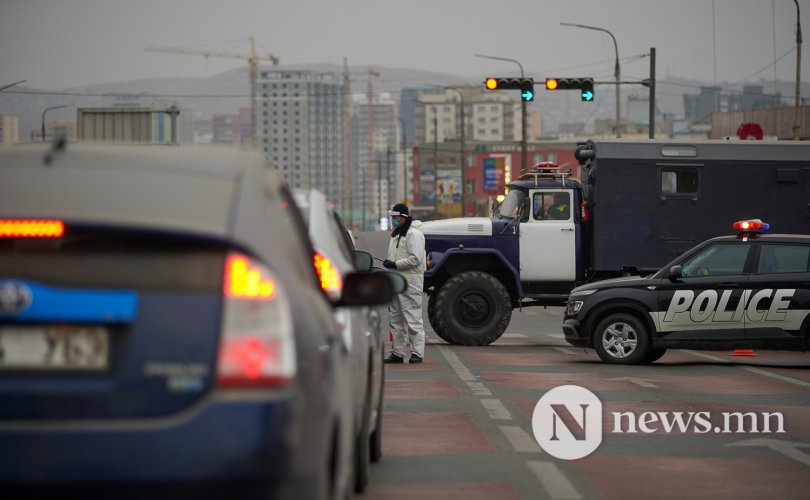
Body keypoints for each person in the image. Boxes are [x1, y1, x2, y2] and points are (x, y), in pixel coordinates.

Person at [382, 203, 426, 364]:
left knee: (413, 318)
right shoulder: (396, 235)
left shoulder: (414, 234)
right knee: (395, 319)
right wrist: (390, 264)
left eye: (395, 217)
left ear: (403, 217)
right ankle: (397, 353)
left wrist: (395, 264)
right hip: (396, 281)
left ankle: (417, 353)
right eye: (392, 217)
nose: (393, 219)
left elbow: (416, 259)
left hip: (411, 282)